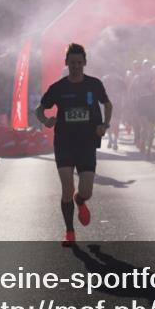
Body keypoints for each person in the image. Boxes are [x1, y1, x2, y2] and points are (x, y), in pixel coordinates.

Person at [35, 43, 113, 246]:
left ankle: (81, 201)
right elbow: (39, 109)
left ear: (85, 63)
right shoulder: (58, 88)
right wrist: (45, 121)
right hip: (64, 143)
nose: (76, 66)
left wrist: (104, 124)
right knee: (67, 188)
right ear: (66, 64)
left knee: (85, 191)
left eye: (79, 63)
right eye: (72, 63)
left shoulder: (94, 84)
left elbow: (107, 104)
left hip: (87, 143)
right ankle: (69, 232)